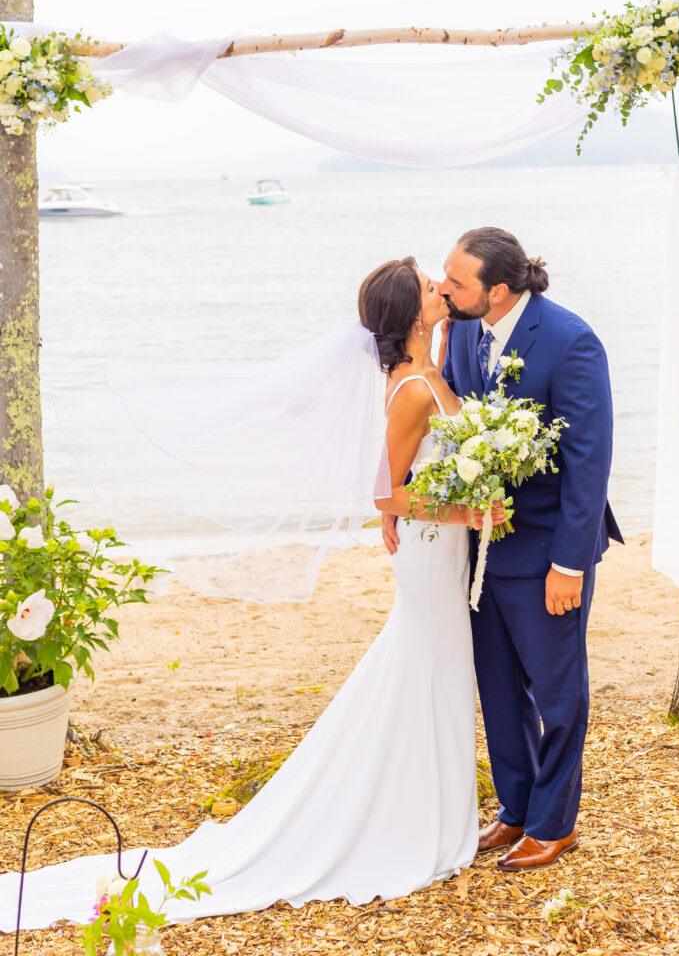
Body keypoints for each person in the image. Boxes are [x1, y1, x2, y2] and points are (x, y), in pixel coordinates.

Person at [0, 257, 506, 931]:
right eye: (427, 290)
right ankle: (416, 822)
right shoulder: (410, 387)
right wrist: (467, 512)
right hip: (427, 553)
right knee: (427, 665)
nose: (440, 292)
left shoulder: (431, 366)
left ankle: (435, 812)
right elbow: (385, 492)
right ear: (411, 314)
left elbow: (409, 477)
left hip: (439, 553)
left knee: (434, 670)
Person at [383, 227, 623, 871]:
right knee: (496, 688)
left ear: (499, 290)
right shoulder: (460, 328)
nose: (445, 289)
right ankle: (514, 809)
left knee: (557, 692)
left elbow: (588, 462)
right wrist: (400, 500)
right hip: (475, 548)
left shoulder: (571, 341)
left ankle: (552, 824)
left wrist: (568, 563)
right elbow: (445, 424)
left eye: (455, 281)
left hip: (548, 553)